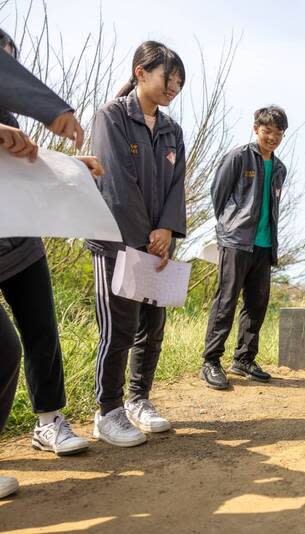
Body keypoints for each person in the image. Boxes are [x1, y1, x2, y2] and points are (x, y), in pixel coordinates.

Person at [0, 27, 91, 499]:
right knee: (3, 349)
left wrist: (77, 170)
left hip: (20, 245)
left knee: (41, 331)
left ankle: (49, 420)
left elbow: (29, 168)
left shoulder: (10, 113)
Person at [87, 41, 187, 447]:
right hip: (117, 241)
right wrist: (146, 237)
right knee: (119, 327)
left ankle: (138, 399)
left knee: (152, 325)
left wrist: (166, 231)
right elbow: (116, 185)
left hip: (158, 245)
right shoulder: (110, 117)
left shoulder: (171, 130)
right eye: (169, 78)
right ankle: (106, 411)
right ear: (141, 73)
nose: (174, 87)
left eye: (180, 82)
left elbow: (177, 184)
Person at [200, 106, 289, 389]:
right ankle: (211, 361)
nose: (272, 137)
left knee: (257, 303)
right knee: (226, 300)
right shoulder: (238, 157)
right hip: (236, 241)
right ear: (256, 129)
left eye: (278, 133)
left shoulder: (279, 168)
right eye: (267, 131)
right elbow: (218, 193)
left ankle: (244, 358)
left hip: (264, 244)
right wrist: (229, 225)